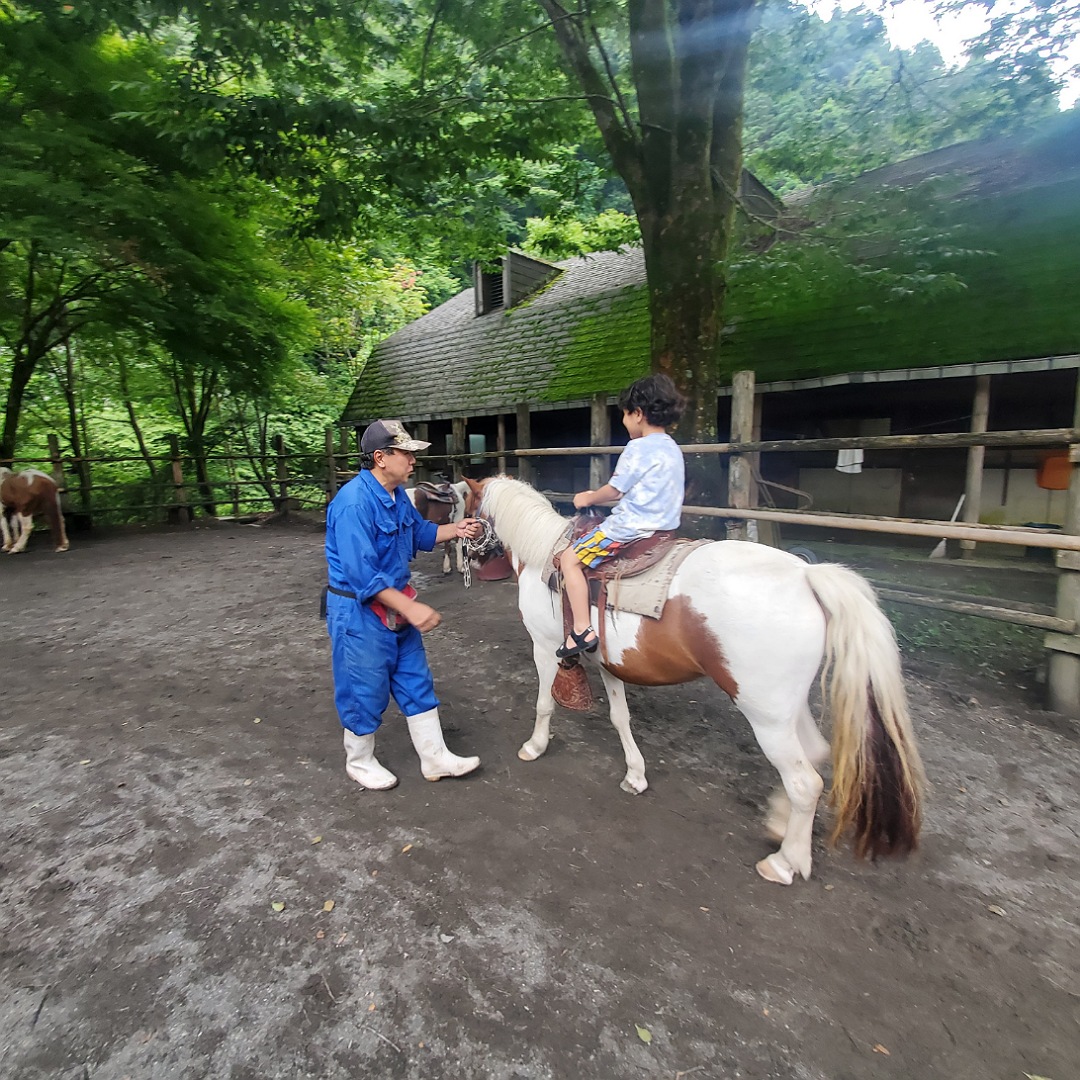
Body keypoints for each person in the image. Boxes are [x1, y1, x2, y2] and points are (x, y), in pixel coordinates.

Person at [324, 419, 483, 790]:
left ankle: (435, 756)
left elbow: (421, 534)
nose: (413, 461)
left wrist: (457, 530)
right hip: (359, 612)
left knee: (415, 678)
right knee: (364, 686)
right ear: (381, 457)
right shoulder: (352, 504)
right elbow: (363, 576)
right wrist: (412, 609)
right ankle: (359, 760)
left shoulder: (397, 497)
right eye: (406, 453)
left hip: (394, 604)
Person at [555, 373, 687, 659]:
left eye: (625, 415)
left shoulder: (638, 447)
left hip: (631, 528)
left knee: (570, 560)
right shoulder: (672, 447)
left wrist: (588, 497)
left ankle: (581, 630)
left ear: (638, 414)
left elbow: (614, 491)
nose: (625, 421)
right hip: (664, 525)